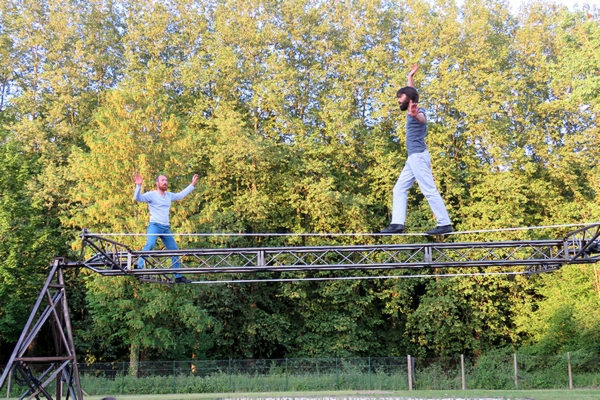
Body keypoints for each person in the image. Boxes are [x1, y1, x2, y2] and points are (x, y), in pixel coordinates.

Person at [381, 64, 452, 235]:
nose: (398, 100)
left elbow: (421, 120)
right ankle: (397, 223)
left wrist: (415, 115)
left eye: (400, 97)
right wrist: (410, 77)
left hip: (418, 157)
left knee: (428, 189)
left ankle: (444, 223)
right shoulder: (412, 101)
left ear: (409, 99)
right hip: (413, 158)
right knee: (399, 189)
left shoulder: (418, 111)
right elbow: (411, 91)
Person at [134, 173, 198, 283]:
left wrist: (192, 184)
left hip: (165, 228)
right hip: (154, 225)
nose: (165, 182)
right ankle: (139, 267)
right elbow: (137, 198)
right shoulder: (152, 195)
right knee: (150, 244)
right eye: (163, 180)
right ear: (157, 183)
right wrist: (139, 186)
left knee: (174, 250)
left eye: (166, 180)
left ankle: (178, 276)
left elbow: (180, 195)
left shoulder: (168, 195)